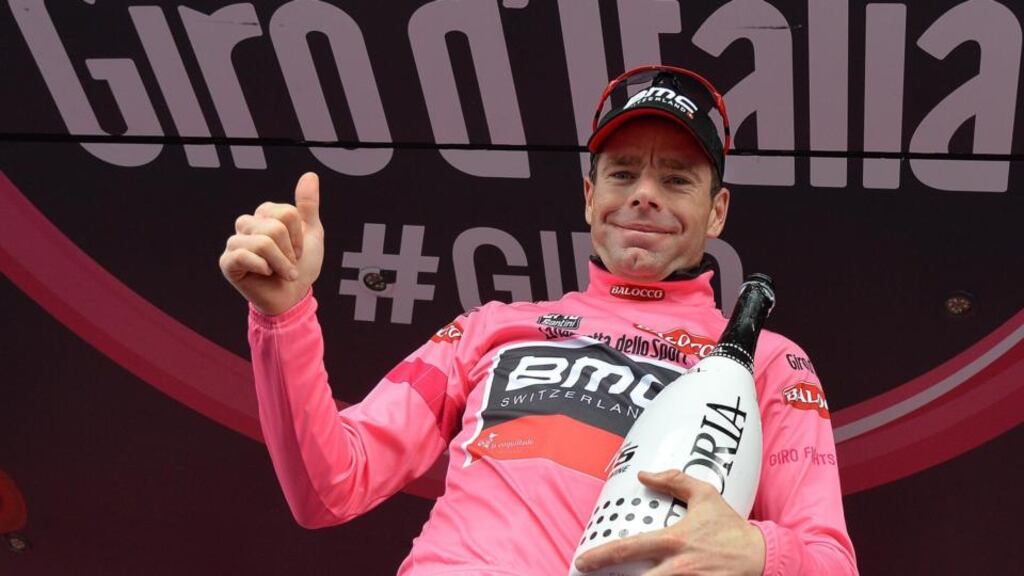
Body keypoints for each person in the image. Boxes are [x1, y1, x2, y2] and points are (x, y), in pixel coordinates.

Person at [219, 65, 858, 575]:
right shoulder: (491, 327)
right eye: (623, 172)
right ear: (590, 196)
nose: (644, 193)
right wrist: (284, 317)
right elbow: (331, 484)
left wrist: (757, 555)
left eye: (676, 178)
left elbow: (831, 560)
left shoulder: (766, 361)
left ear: (717, 212)